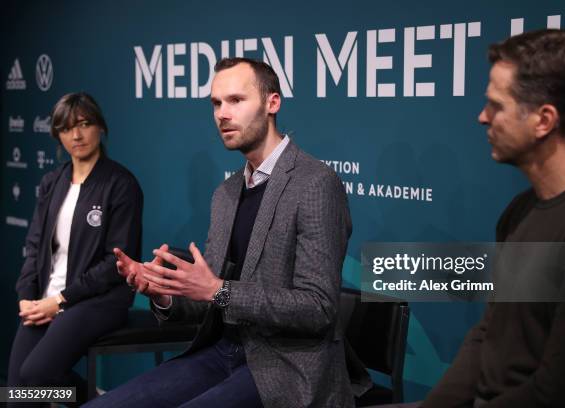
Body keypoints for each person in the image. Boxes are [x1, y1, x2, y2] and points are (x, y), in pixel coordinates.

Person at [84, 58, 354, 408]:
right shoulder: (226, 193)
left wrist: (219, 290)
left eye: (236, 100)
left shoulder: (315, 183)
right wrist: (164, 292)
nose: (222, 114)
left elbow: (318, 308)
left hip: (285, 367)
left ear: (273, 103)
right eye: (216, 103)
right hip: (220, 352)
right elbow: (207, 300)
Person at [422, 29, 565, 407]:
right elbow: (489, 334)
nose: (482, 117)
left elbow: (563, 391)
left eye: (496, 105)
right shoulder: (520, 210)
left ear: (544, 120)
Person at [8, 92, 144, 406]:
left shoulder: (121, 184)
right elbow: (34, 245)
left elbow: (115, 262)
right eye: (67, 128)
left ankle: (98, 400)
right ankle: (92, 399)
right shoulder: (52, 182)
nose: (77, 135)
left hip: (98, 299)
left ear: (101, 127)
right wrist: (27, 297)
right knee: (15, 396)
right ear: (58, 134)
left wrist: (61, 300)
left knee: (36, 375)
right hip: (48, 298)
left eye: (85, 124)